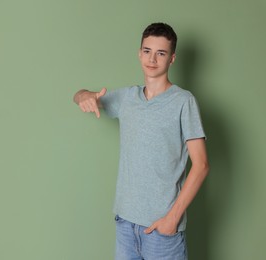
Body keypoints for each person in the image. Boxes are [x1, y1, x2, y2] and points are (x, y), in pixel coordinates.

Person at [73, 22, 209, 260]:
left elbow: (201, 165)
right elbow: (81, 95)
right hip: (125, 225)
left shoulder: (183, 101)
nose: (152, 59)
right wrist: (84, 96)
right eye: (147, 51)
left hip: (162, 231)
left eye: (161, 53)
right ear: (139, 53)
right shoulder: (128, 98)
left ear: (172, 58)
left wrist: (172, 219)